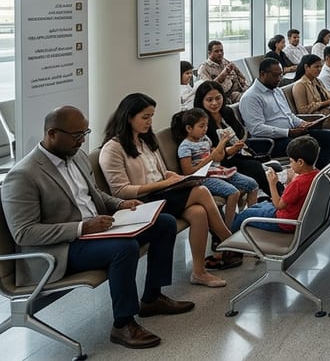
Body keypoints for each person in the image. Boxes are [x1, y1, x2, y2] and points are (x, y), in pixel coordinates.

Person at [2, 106, 193, 350]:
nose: (82, 140)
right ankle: (123, 324)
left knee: (163, 223)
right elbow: (25, 232)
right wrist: (82, 228)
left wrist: (121, 203)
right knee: (124, 248)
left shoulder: (77, 156)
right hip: (61, 249)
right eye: (76, 135)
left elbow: (94, 194)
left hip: (97, 230)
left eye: (85, 133)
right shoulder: (23, 176)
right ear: (51, 133)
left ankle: (152, 297)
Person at [98, 93, 241, 288]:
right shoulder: (112, 149)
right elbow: (121, 191)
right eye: (145, 117)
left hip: (161, 194)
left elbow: (160, 172)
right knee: (200, 192)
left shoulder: (146, 141)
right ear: (128, 117)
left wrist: (174, 178)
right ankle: (228, 239)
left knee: (198, 212)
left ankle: (199, 272)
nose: (150, 121)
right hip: (141, 203)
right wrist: (164, 184)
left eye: (151, 116)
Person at [238, 58, 330, 168]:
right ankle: (307, 177)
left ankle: (319, 172)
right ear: (262, 74)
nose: (279, 79)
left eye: (280, 75)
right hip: (272, 142)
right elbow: (256, 129)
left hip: (291, 135)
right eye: (275, 75)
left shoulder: (277, 90)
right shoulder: (251, 97)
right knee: (307, 145)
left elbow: (289, 115)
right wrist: (288, 132)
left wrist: (303, 123)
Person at [173, 108, 259, 230]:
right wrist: (211, 157)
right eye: (201, 126)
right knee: (233, 192)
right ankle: (230, 228)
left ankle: (250, 218)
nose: (205, 129)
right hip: (203, 177)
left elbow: (218, 157)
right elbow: (189, 172)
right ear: (189, 128)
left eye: (206, 125)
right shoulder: (185, 146)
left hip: (217, 170)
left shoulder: (205, 139)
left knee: (253, 184)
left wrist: (223, 145)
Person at [192, 80, 273, 194]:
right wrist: (230, 150)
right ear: (201, 101)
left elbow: (241, 132)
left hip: (241, 153)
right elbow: (209, 151)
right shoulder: (200, 121)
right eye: (209, 100)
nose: (214, 103)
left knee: (262, 167)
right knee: (255, 167)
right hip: (220, 161)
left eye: (218, 98)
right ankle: (275, 196)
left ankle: (279, 195)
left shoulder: (227, 111)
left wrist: (239, 144)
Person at [230, 135, 320, 233]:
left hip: (283, 222)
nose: (290, 165)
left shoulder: (298, 183)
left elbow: (278, 205)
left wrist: (272, 183)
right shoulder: (317, 175)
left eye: (291, 161)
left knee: (244, 215)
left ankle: (227, 238)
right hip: (295, 216)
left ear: (300, 162)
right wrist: (289, 181)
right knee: (259, 206)